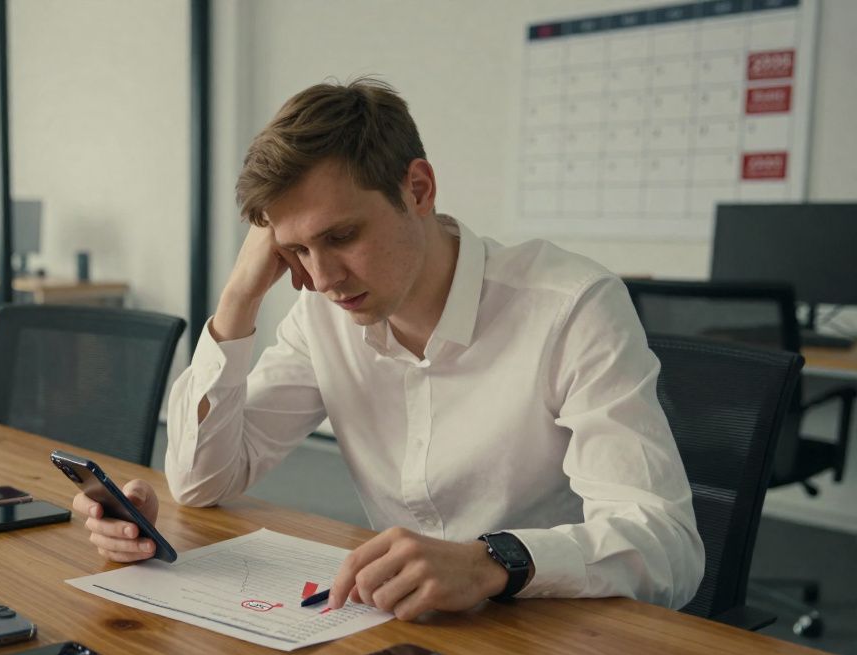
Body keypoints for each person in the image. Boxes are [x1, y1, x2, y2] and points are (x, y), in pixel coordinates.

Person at [72, 78, 704, 620]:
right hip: (401, 627)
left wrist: (492, 561)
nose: (321, 279)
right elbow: (202, 482)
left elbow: (667, 547)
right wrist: (239, 300)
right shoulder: (321, 314)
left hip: (552, 628)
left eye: (342, 236)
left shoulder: (571, 306)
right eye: (294, 251)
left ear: (419, 189)